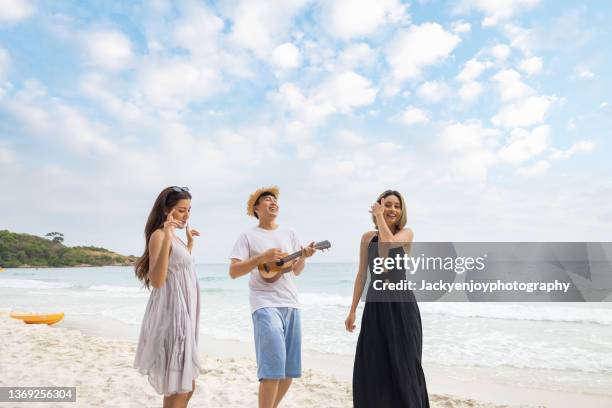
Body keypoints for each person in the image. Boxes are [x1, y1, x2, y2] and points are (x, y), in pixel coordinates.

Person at [229, 186, 316, 408]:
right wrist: (261, 258)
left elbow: (295, 270)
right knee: (273, 367)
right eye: (267, 199)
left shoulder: (290, 233)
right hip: (264, 304)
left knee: (289, 372)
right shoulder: (248, 236)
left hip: (291, 303)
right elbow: (234, 271)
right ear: (256, 208)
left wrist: (304, 257)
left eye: (275, 200)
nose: (273, 202)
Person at [345, 190, 429, 408]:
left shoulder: (406, 234)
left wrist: (380, 217)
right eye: (387, 205)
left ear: (402, 211)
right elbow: (362, 275)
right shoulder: (366, 238)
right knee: (374, 366)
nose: (392, 209)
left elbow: (389, 241)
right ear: (378, 207)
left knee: (406, 366)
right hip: (375, 307)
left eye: (397, 206)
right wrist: (352, 310)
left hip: (402, 306)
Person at [133, 186, 202, 408]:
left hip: (184, 312)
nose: (186, 216)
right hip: (173, 314)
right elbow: (158, 280)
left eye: (189, 210)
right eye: (181, 210)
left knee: (185, 384)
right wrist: (167, 236)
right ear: (166, 210)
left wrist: (189, 244)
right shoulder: (159, 235)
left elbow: (178, 266)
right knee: (181, 384)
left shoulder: (174, 238)